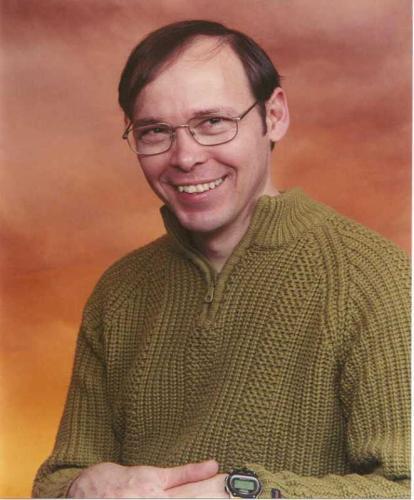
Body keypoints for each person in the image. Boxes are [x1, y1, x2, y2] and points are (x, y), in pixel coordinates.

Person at [32, 20, 410, 498]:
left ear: (274, 115)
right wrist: (80, 487)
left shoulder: (374, 278)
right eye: (155, 131)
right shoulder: (119, 292)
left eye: (212, 122)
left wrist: (241, 493)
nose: (185, 157)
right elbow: (55, 480)